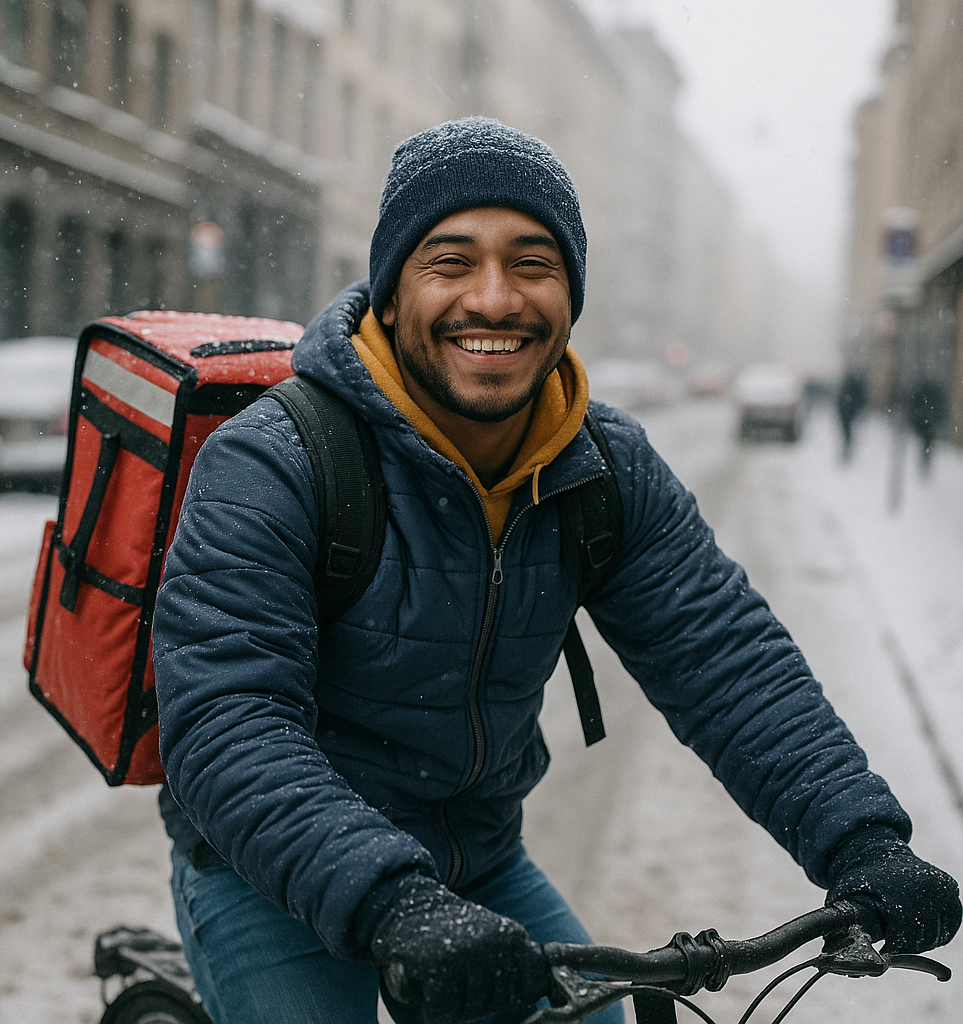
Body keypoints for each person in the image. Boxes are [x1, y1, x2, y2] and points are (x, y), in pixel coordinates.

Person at [151, 117, 960, 1024]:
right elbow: (226, 720)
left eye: (533, 262)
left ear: (570, 293)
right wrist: (389, 897)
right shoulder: (279, 459)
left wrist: (861, 839)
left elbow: (726, 662)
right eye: (449, 261)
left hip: (478, 859)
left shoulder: (602, 465)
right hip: (273, 868)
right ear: (389, 290)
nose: (494, 300)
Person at [836, 367, 867, 461]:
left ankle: (847, 450)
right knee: (848, 433)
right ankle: (847, 449)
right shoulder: (855, 387)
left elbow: (841, 399)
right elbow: (861, 400)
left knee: (847, 433)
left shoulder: (848, 387)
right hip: (849, 413)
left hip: (847, 413)